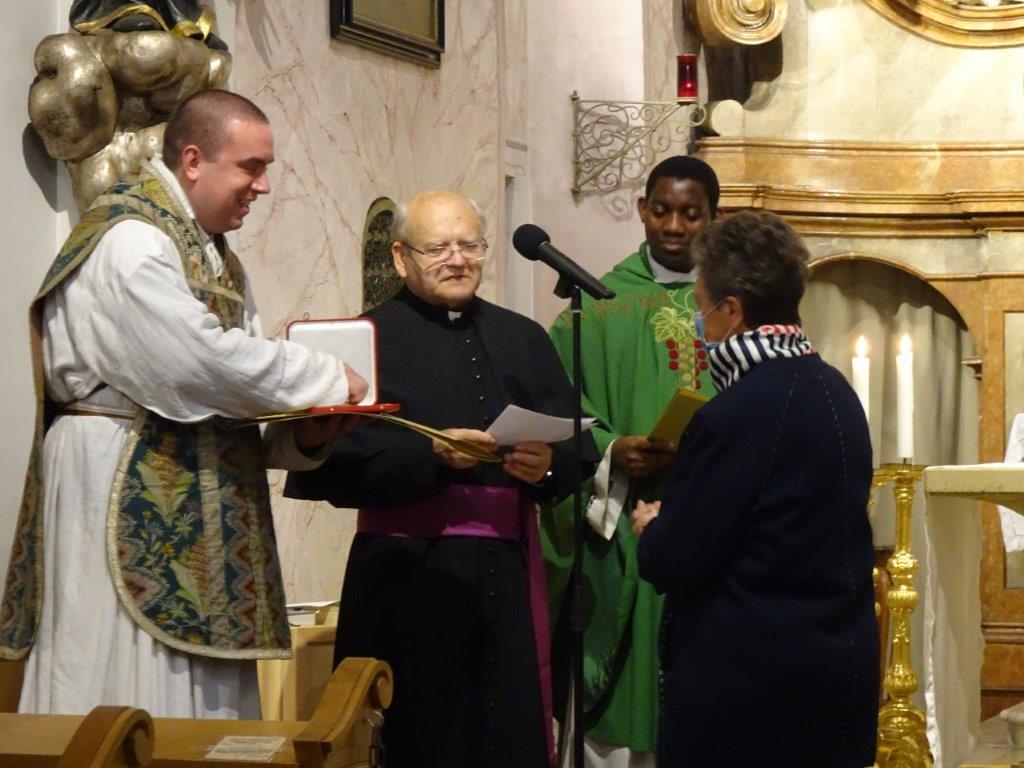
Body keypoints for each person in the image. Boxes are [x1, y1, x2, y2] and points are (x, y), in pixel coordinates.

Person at [0, 89, 366, 718]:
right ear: (193, 160)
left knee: (201, 702)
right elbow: (196, 364)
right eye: (251, 167)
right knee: (123, 679)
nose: (264, 186)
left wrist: (304, 434)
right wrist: (324, 375)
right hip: (117, 474)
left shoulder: (215, 256)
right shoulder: (129, 238)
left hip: (203, 488)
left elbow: (236, 389)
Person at [285, 190, 597, 768]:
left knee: (504, 734)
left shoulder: (523, 337)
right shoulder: (364, 338)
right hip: (404, 577)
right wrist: (430, 455)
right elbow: (327, 462)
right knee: (416, 734)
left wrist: (547, 467)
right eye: (438, 248)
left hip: (506, 576)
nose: (457, 259)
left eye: (469, 245)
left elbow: (579, 448)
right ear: (401, 258)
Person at [635, 211, 879, 767]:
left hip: (752, 686)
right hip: (835, 670)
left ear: (732, 310)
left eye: (701, 306)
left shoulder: (737, 411)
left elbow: (678, 558)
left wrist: (656, 526)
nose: (698, 322)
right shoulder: (836, 390)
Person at [540, 155, 718, 767]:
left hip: (705, 520)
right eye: (662, 210)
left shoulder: (732, 306)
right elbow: (556, 408)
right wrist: (613, 449)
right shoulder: (598, 304)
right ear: (642, 209)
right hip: (616, 522)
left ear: (713, 218)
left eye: (691, 214)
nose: (674, 226)